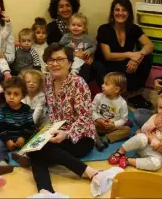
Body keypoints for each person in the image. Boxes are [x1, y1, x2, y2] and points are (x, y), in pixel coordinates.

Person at [15, 43, 103, 197]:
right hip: (58, 131)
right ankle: (46, 191)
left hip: (81, 137)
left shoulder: (78, 83)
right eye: (51, 60)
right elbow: (54, 113)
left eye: (60, 59)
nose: (55, 63)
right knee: (35, 147)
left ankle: (88, 172)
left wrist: (66, 133)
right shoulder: (48, 81)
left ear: (69, 62)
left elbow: (85, 118)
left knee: (39, 150)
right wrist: (48, 131)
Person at [96, 0, 154, 109]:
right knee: (128, 64)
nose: (120, 13)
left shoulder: (134, 28)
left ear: (129, 13)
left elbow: (149, 45)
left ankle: (135, 94)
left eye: (124, 10)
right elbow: (108, 56)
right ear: (112, 12)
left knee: (148, 57)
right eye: (117, 10)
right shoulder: (104, 29)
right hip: (107, 65)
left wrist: (139, 57)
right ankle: (126, 94)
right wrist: (130, 55)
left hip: (125, 63)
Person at [108, 92, 162, 171]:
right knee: (141, 137)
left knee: (157, 164)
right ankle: (120, 151)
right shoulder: (155, 117)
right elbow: (144, 129)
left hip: (157, 153)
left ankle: (128, 160)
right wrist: (154, 123)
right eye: (160, 107)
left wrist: (151, 139)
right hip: (143, 145)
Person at [0, 77, 36, 175]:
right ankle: (1, 161)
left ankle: (22, 155)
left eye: (16, 94)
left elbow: (30, 125)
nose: (11, 97)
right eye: (8, 93)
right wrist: (7, 140)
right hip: (5, 136)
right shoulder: (1, 109)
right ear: (4, 94)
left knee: (34, 137)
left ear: (23, 96)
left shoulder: (26, 109)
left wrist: (23, 137)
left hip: (20, 137)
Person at [93, 72, 130, 151]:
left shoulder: (122, 102)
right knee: (87, 122)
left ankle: (105, 138)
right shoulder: (98, 96)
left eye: (106, 84)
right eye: (103, 83)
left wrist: (114, 124)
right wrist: (99, 119)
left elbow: (124, 119)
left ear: (116, 89)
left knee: (127, 130)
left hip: (111, 128)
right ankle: (96, 138)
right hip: (98, 125)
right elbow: (91, 110)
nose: (102, 85)